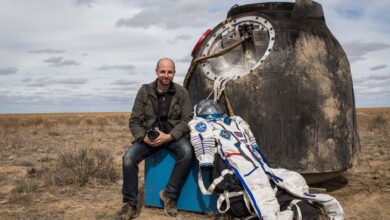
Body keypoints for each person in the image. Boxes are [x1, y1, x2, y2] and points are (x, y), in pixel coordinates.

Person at [117, 58, 193, 219]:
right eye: (163, 71)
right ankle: (130, 204)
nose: (166, 75)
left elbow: (188, 119)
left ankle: (169, 195)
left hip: (172, 136)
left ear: (174, 73)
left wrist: (169, 136)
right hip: (148, 138)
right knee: (128, 158)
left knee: (187, 152)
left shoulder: (182, 93)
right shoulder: (144, 91)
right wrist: (143, 137)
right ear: (157, 72)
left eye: (170, 72)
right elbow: (135, 121)